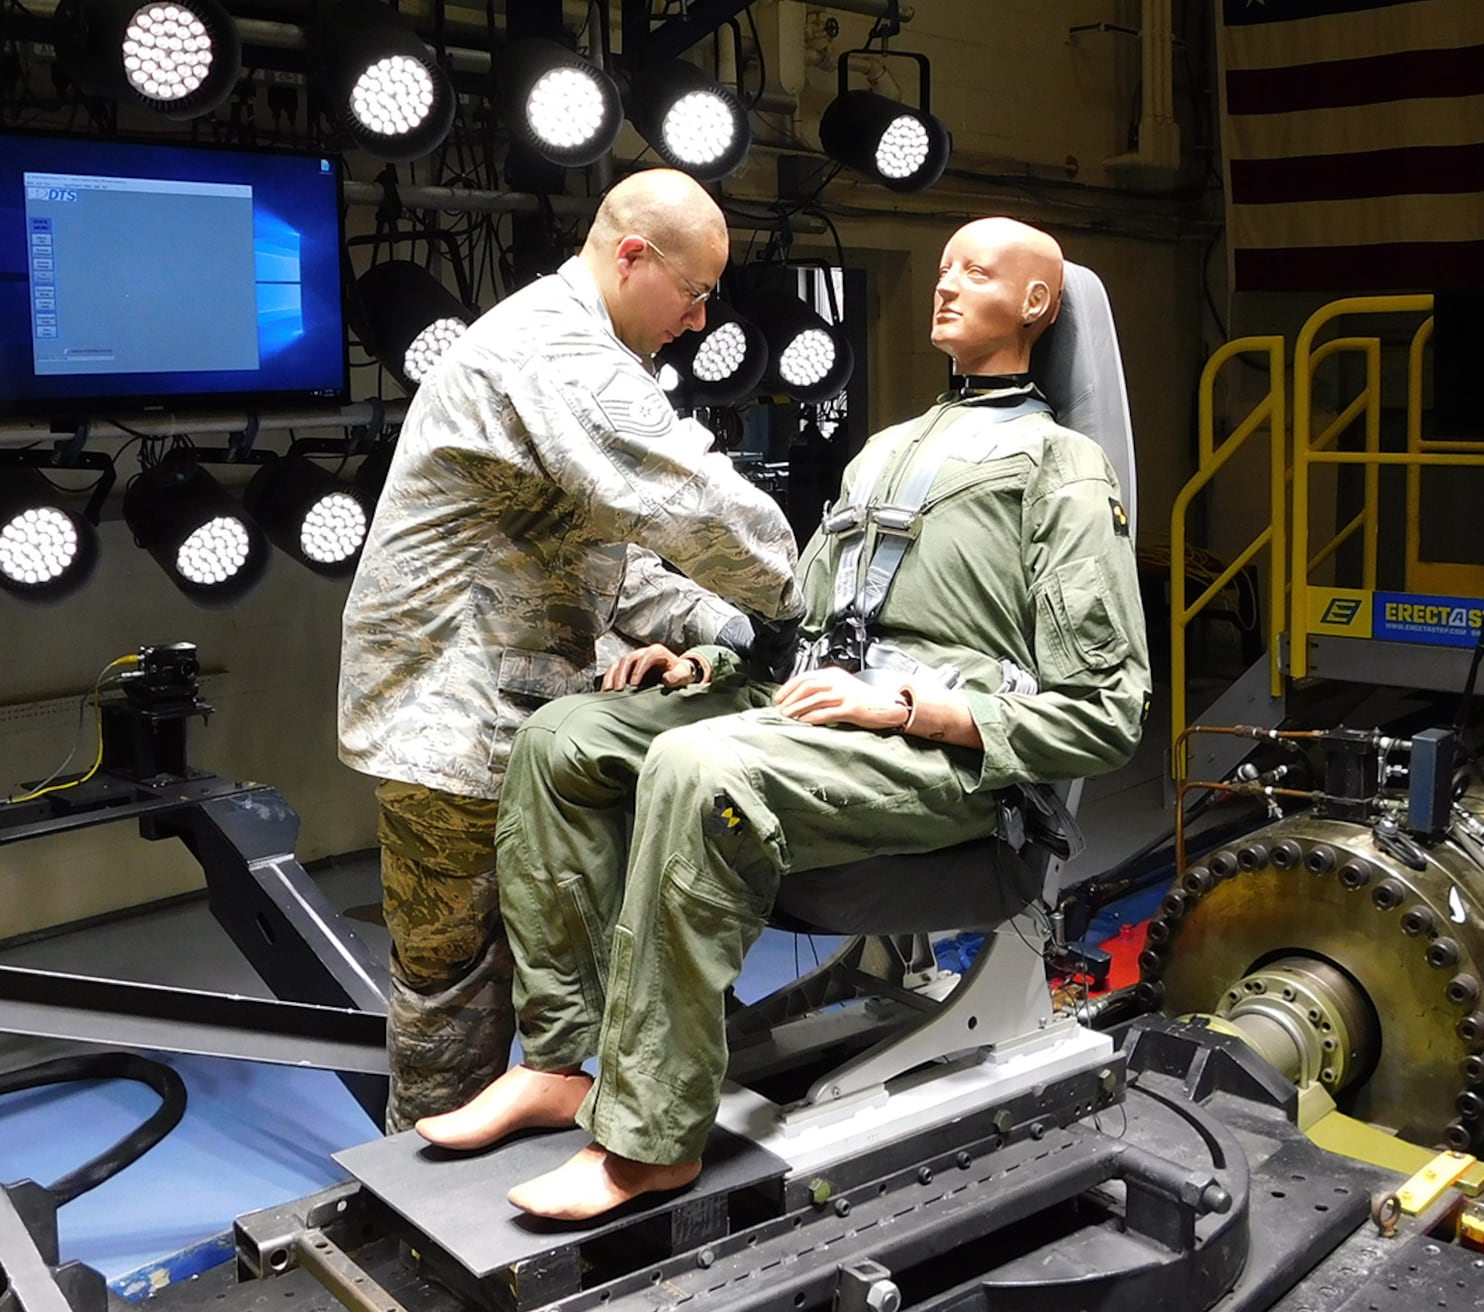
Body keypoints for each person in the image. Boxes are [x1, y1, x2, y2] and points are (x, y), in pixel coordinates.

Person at [417, 216, 1151, 1219]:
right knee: (566, 738)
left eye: (973, 274)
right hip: (823, 719)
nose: (942, 287)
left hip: (950, 773)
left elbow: (1106, 711)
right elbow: (805, 628)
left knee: (702, 765)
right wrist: (708, 657)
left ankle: (647, 1140)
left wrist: (908, 705)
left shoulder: (1060, 469)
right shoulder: (882, 456)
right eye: (939, 269)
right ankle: (556, 1061)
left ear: (1034, 304)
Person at [337, 169, 802, 1134]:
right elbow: (689, 499)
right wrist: (815, 601)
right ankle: (431, 1222)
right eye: (694, 292)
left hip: (504, 717)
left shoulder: (573, 353)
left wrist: (735, 631)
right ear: (633, 256)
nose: (700, 320)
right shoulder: (556, 347)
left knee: (517, 974)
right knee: (453, 1004)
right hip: (450, 726)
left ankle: (507, 1149)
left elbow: (620, 566)